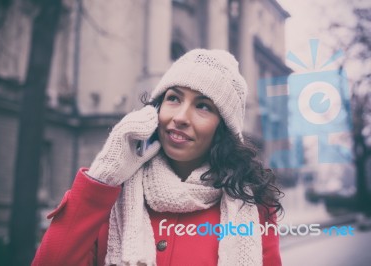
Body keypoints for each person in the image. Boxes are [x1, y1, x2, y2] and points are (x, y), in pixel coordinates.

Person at [32, 49, 283, 266]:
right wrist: (104, 175)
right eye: (173, 98)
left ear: (223, 128)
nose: (181, 117)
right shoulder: (110, 196)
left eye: (203, 106)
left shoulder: (252, 206)